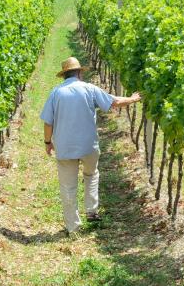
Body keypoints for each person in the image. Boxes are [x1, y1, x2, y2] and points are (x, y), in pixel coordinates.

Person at [40, 57, 141, 235]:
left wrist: (48, 142)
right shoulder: (89, 89)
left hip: (65, 147)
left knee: (68, 186)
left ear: (64, 75)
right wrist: (133, 99)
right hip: (88, 146)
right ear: (79, 72)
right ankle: (92, 211)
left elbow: (48, 122)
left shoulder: (56, 93)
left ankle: (73, 227)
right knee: (91, 174)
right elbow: (114, 102)